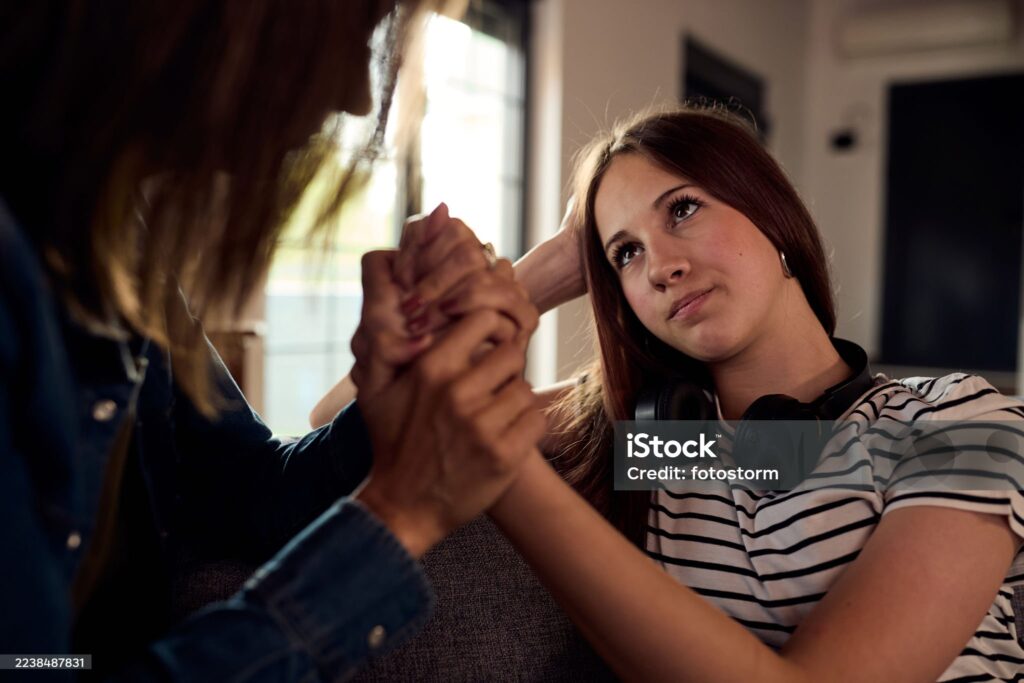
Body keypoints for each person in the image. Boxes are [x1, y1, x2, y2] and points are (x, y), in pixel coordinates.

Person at [346, 106, 1024, 681]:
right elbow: (348, 426)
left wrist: (495, 456)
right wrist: (551, 266)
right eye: (625, 253)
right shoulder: (663, 440)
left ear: (769, 209)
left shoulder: (959, 419)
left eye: (684, 208)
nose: (662, 267)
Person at [0, 1, 544, 680]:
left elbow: (245, 490)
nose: (354, 96)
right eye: (349, 31)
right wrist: (401, 510)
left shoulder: (109, 234)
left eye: (684, 210)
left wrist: (388, 419)